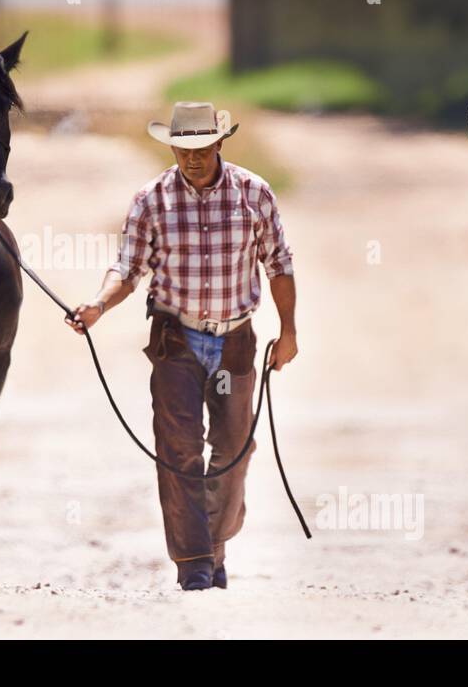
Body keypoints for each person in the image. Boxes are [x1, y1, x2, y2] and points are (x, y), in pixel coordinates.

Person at [65, 101, 298, 591]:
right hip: (176, 340)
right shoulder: (151, 200)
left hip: (236, 339)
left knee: (235, 447)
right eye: (182, 149)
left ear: (219, 142)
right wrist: (97, 306)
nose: (192, 158)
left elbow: (279, 264)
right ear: (171, 146)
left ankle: (215, 545)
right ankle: (194, 562)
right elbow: (127, 269)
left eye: (201, 148)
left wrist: (290, 331)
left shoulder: (254, 193)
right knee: (179, 448)